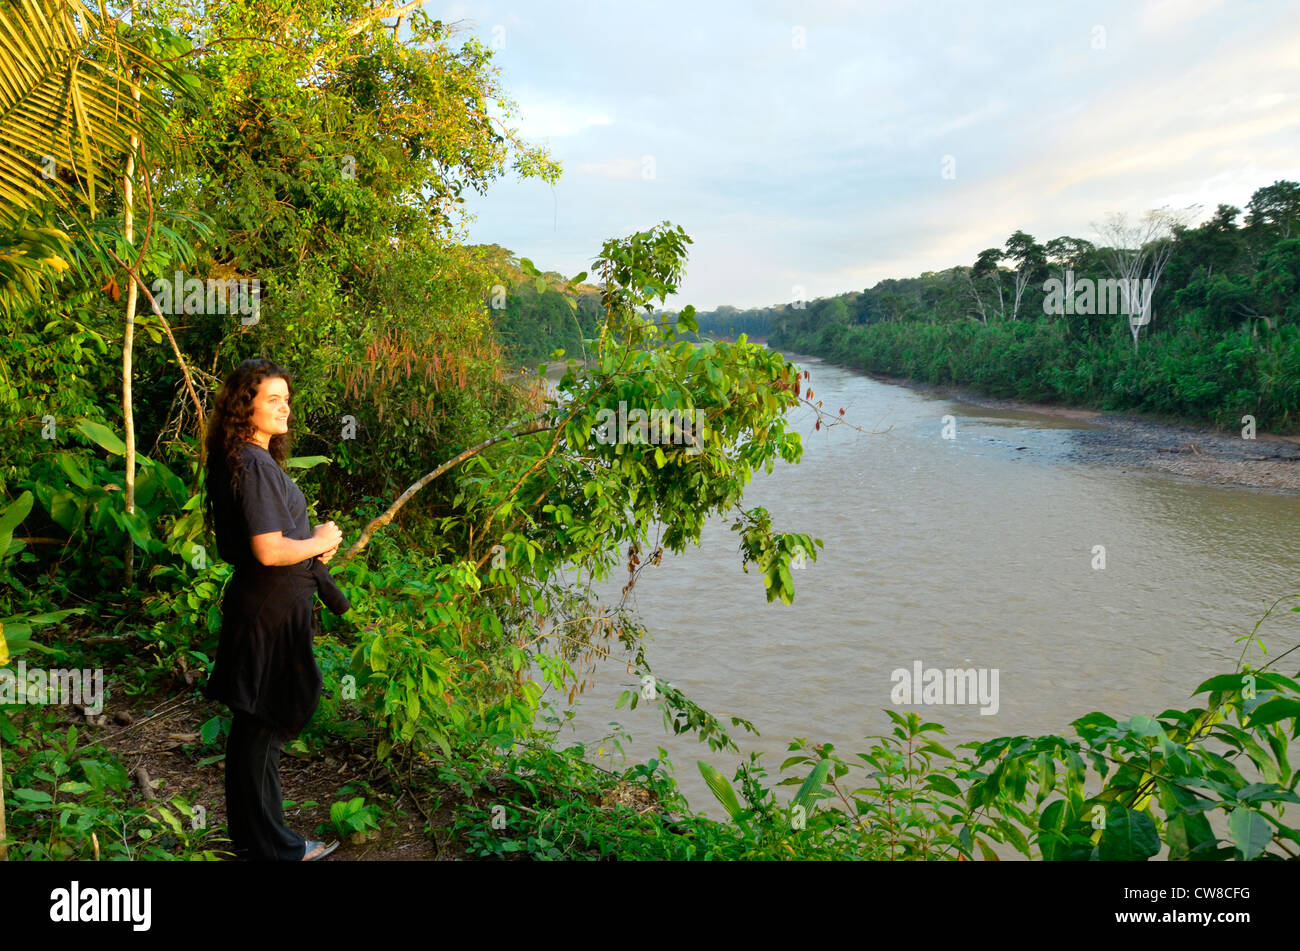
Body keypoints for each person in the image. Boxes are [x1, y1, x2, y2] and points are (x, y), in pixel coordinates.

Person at [200, 358, 352, 861]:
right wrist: (320, 540)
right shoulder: (254, 462)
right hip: (269, 610)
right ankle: (274, 849)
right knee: (263, 725)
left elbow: (268, 543)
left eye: (286, 398)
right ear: (246, 406)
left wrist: (309, 546)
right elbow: (268, 549)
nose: (284, 407)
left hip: (263, 603)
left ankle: (258, 843)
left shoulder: (237, 457)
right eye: (272, 399)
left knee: (256, 726)